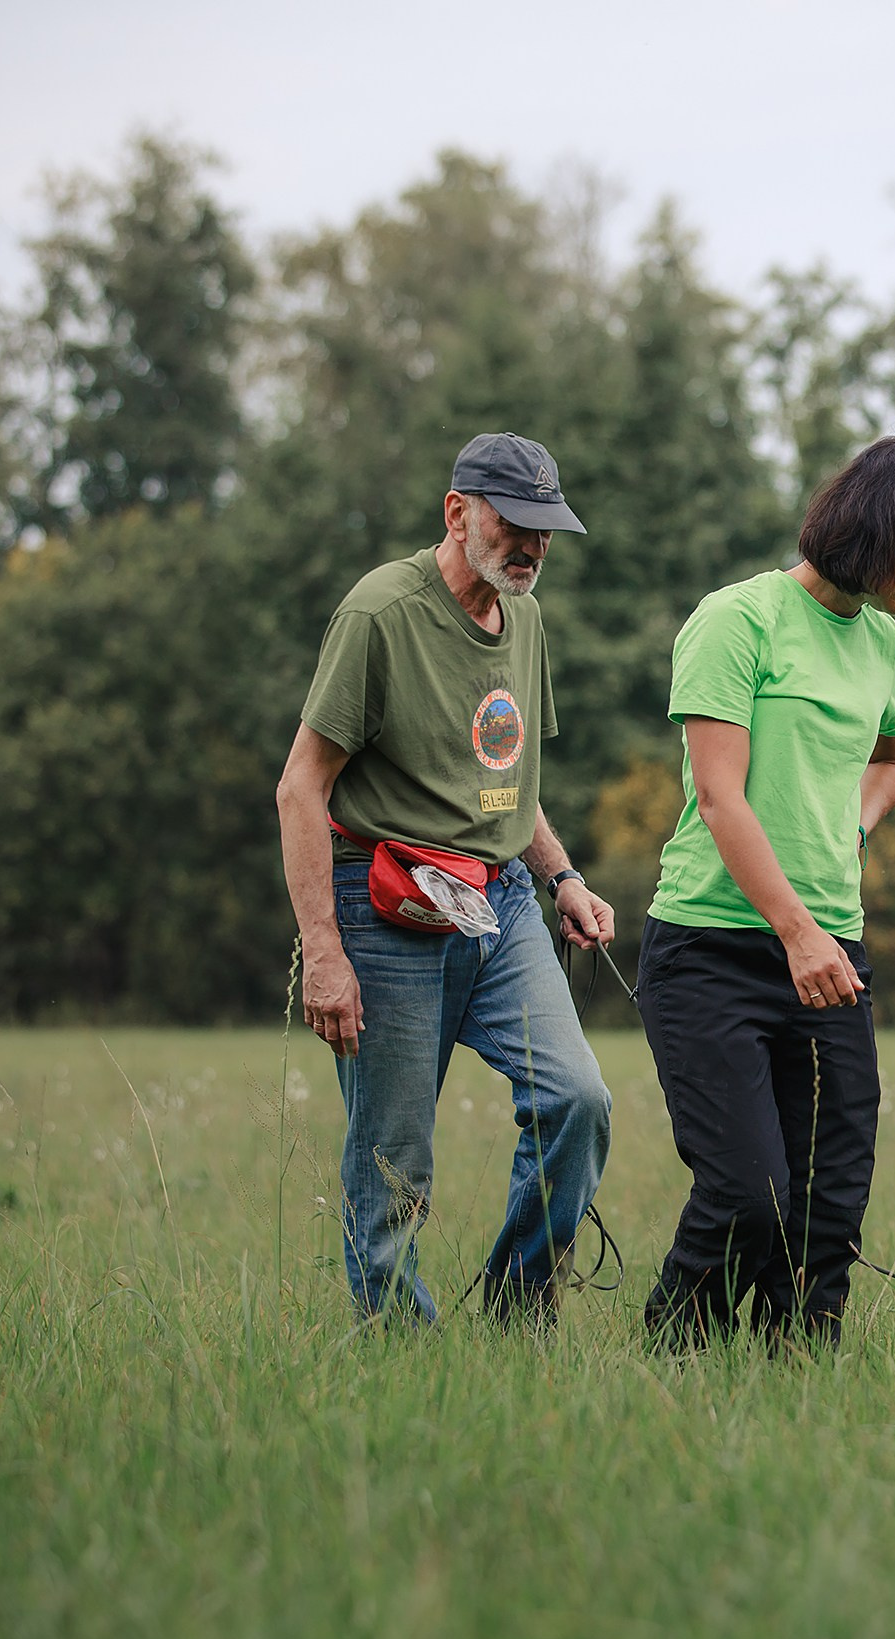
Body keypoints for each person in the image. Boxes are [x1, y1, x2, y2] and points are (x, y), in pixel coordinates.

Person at [274, 431, 617, 1328]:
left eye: (546, 531)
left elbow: (504, 784)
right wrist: (324, 953)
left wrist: (563, 875)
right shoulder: (380, 615)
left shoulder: (527, 616)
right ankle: (400, 1350)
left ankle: (514, 1312)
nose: (532, 548)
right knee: (393, 1161)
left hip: (499, 901)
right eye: (515, 524)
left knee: (577, 1100)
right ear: (457, 512)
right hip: (385, 903)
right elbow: (300, 786)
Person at [636, 436, 895, 1348]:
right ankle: (670, 1359)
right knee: (749, 1195)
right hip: (712, 948)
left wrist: (846, 831)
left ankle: (796, 1378)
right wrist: (797, 930)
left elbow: (893, 764)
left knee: (829, 1208)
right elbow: (720, 795)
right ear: (875, 525)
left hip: (830, 954)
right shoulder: (736, 620)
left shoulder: (882, 644)